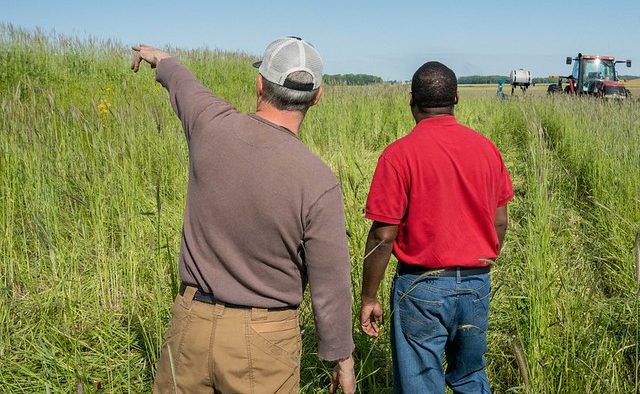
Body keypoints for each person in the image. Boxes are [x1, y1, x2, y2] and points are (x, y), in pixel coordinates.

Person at [131, 37, 355, 394]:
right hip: (266, 340)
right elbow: (330, 284)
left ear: (260, 84)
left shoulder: (210, 125)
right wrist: (341, 357)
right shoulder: (318, 181)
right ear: (317, 96)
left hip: (191, 326)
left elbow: (183, 82)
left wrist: (161, 59)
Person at [359, 61, 513, 393]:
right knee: (471, 376)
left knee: (419, 383)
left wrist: (368, 296)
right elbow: (500, 221)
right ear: (456, 98)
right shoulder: (487, 150)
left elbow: (383, 236)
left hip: (420, 287)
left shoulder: (398, 155)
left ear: (411, 101)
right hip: (476, 283)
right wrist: (478, 261)